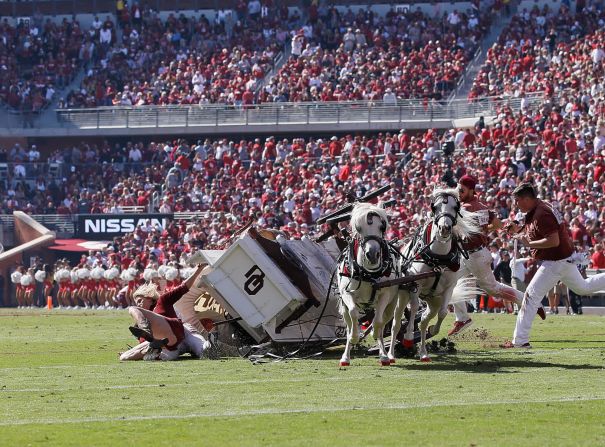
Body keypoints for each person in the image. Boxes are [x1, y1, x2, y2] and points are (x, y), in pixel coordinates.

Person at [502, 183, 605, 348]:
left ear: (527, 199)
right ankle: (520, 341)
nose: (516, 205)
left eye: (517, 201)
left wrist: (529, 243)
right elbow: (535, 230)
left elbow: (553, 240)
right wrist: (518, 229)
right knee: (583, 287)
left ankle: (520, 341)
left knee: (530, 296)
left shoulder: (542, 213)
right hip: (563, 258)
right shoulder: (539, 207)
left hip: (556, 261)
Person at [448, 175, 542, 336]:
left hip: (475, 255)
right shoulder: (481, 206)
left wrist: (480, 231)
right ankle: (462, 318)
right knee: (451, 282)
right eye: (458, 188)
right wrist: (484, 230)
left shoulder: (467, 207)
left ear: (471, 190)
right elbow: (497, 224)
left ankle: (529, 301)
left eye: (461, 189)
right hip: (471, 254)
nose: (459, 192)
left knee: (494, 289)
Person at [119, 264, 210, 361]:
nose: (139, 304)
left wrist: (198, 270)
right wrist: (133, 351)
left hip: (183, 332)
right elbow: (143, 341)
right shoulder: (140, 321)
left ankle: (209, 346)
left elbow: (184, 287)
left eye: (140, 300)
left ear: (149, 298)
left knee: (203, 350)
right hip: (170, 344)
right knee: (124, 357)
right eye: (137, 303)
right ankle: (152, 351)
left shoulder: (163, 301)